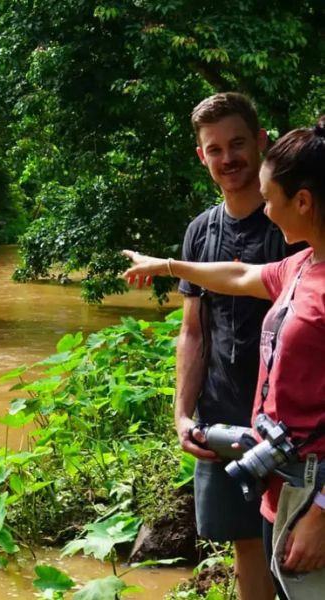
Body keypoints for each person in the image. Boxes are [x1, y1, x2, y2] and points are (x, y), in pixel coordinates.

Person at [123, 115, 325, 598]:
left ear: (302, 201)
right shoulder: (300, 264)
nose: (266, 212)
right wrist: (166, 265)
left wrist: (321, 512)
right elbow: (237, 276)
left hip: (315, 488)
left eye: (270, 199)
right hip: (284, 478)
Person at [172, 93, 298, 600]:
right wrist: (182, 414)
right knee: (246, 543)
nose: (229, 158)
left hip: (291, 426)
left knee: (292, 545)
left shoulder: (295, 225)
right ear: (202, 156)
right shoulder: (200, 232)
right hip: (223, 416)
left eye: (238, 143)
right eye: (215, 149)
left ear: (262, 141)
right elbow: (194, 331)